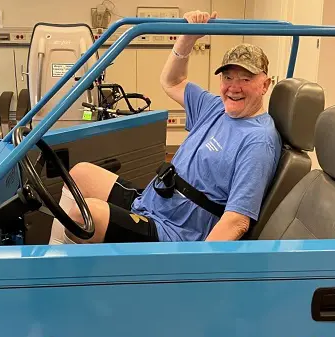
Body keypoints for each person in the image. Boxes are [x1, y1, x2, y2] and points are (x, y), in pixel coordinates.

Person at [49, 10, 282, 245]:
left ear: (265, 85)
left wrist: (198, 268)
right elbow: (172, 82)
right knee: (80, 174)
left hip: (175, 232)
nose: (234, 87)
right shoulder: (215, 106)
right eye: (228, 77)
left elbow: (237, 220)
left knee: (83, 216)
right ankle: (54, 257)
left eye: (246, 79)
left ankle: (59, 275)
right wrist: (188, 37)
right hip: (154, 201)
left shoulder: (258, 140)